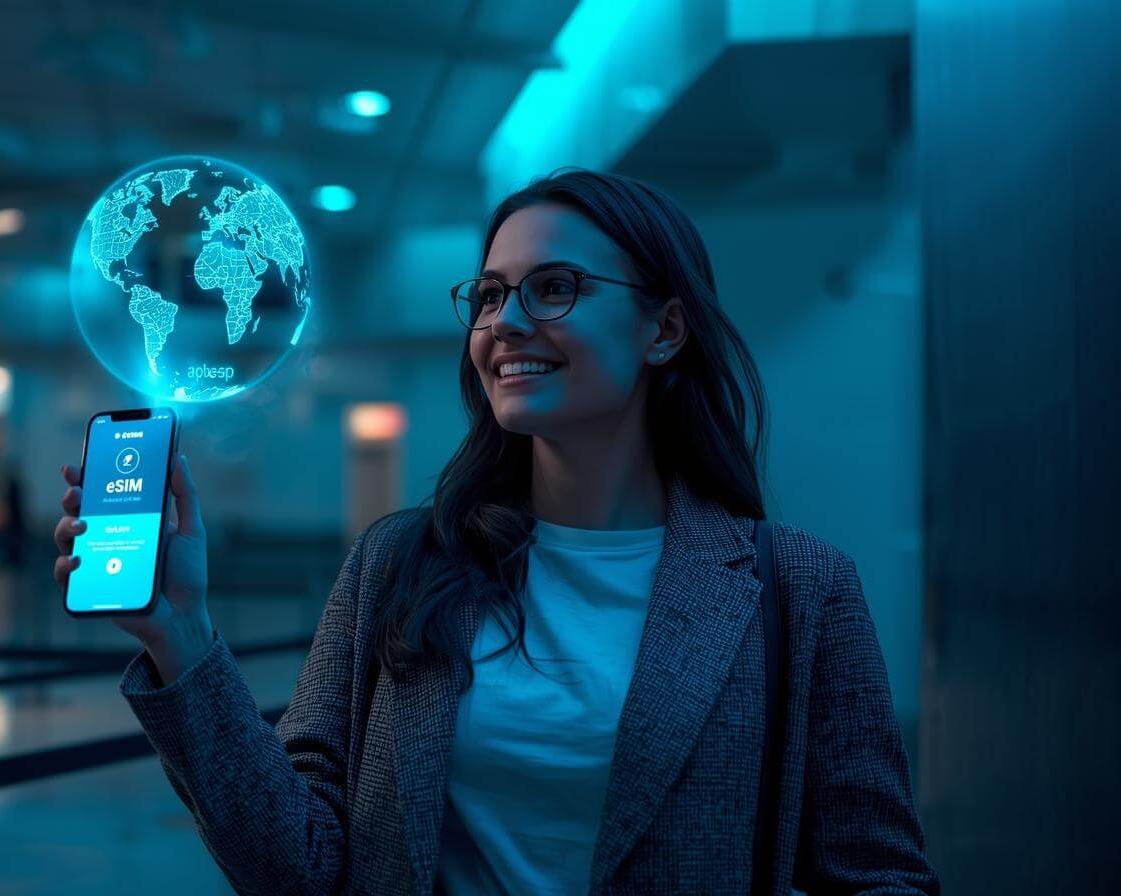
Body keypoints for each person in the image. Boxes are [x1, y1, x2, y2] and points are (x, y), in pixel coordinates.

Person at [53, 169, 939, 895]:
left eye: (554, 289)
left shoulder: (798, 589)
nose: (505, 323)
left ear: (665, 329)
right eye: (489, 295)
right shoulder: (401, 563)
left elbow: (880, 876)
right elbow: (300, 867)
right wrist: (182, 637)